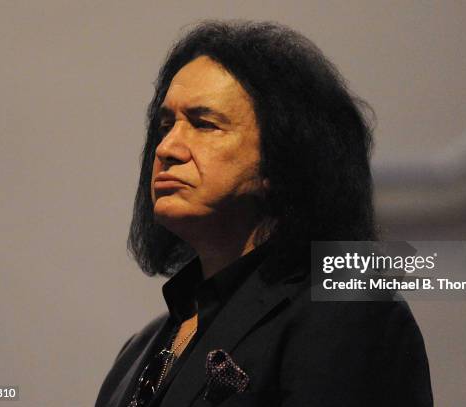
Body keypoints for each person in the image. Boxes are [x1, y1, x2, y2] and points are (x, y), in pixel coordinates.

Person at [95, 20, 432, 407]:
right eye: (165, 125)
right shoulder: (135, 357)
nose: (167, 147)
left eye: (204, 124)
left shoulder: (349, 317)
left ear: (282, 159)